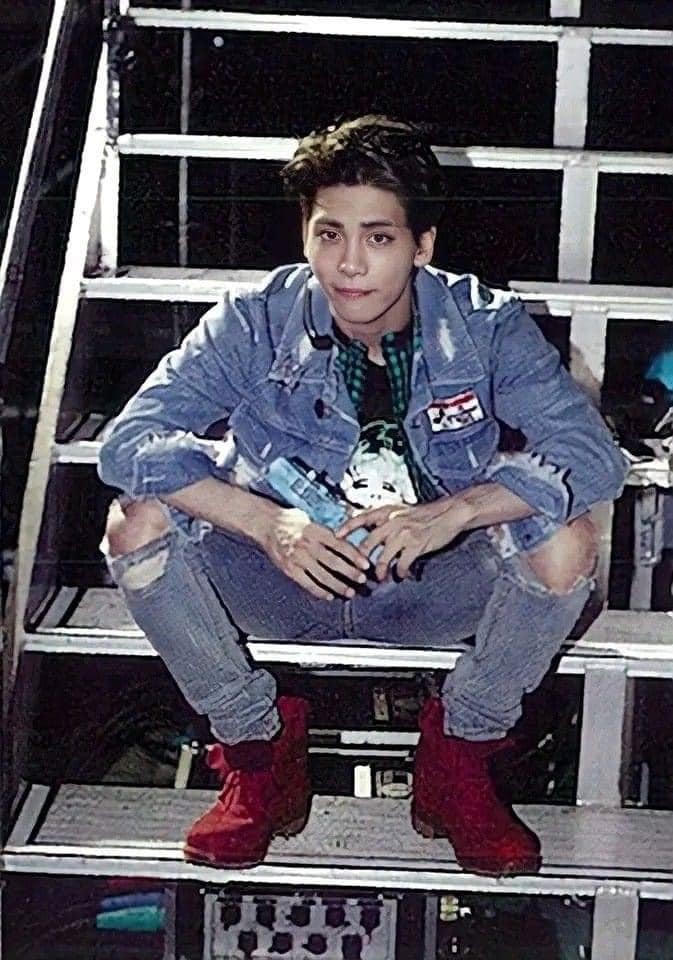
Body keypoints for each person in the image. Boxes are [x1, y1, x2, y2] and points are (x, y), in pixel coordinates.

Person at [98, 115, 628, 877]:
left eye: (378, 237)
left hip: (430, 585)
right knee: (136, 518)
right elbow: (127, 444)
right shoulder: (253, 319)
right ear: (305, 234)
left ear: (422, 245)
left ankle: (458, 761)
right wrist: (264, 522)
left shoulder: (484, 327)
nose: (348, 264)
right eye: (328, 234)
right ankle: (254, 752)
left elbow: (591, 458)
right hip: (278, 577)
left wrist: (457, 510)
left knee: (564, 537)